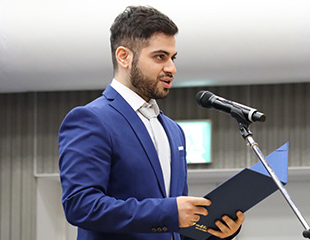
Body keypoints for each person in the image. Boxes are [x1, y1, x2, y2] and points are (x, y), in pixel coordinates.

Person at [58, 5, 244, 240]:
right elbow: (81, 205)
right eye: (160, 57)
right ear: (124, 57)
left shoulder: (174, 131)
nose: (171, 68)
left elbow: (171, 229)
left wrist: (214, 231)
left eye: (173, 58)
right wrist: (169, 212)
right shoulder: (91, 120)